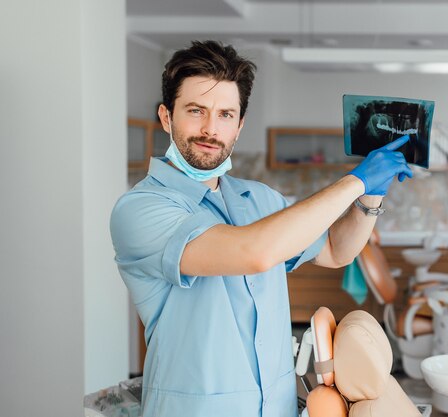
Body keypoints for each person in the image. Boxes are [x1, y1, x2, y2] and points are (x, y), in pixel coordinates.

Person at [110, 40, 413, 417]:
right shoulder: (141, 209)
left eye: (225, 115)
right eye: (195, 111)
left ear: (239, 127)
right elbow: (252, 252)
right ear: (167, 117)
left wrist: (371, 199)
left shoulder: (260, 200)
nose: (210, 128)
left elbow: (336, 249)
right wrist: (356, 182)